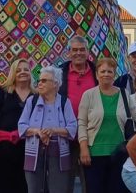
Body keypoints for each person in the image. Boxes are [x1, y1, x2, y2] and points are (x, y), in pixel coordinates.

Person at [20, 65, 80, 193]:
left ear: (55, 84)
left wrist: (54, 130)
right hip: (34, 152)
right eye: (39, 81)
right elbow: (22, 126)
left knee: (58, 189)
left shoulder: (64, 102)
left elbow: (73, 127)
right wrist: (38, 132)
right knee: (34, 189)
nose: (39, 83)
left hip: (58, 153)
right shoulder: (32, 101)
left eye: (44, 80)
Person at [79, 57, 131, 193]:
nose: (106, 74)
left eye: (110, 71)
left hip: (119, 153)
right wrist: (83, 148)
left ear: (114, 74)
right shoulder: (88, 95)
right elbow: (82, 123)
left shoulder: (125, 94)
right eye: (102, 71)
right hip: (94, 153)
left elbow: (135, 121)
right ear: (96, 74)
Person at [0, 58, 34, 193]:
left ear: (31, 72)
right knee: (5, 185)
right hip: (5, 148)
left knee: (27, 185)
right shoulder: (4, 92)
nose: (22, 72)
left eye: (26, 69)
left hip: (30, 147)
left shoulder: (36, 94)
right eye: (18, 70)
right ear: (13, 73)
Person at [60, 36, 97, 190]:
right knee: (64, 182)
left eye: (82, 49)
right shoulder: (60, 72)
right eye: (74, 50)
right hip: (66, 135)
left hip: (91, 135)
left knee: (89, 182)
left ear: (88, 52)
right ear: (68, 53)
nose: (78, 53)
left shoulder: (97, 72)